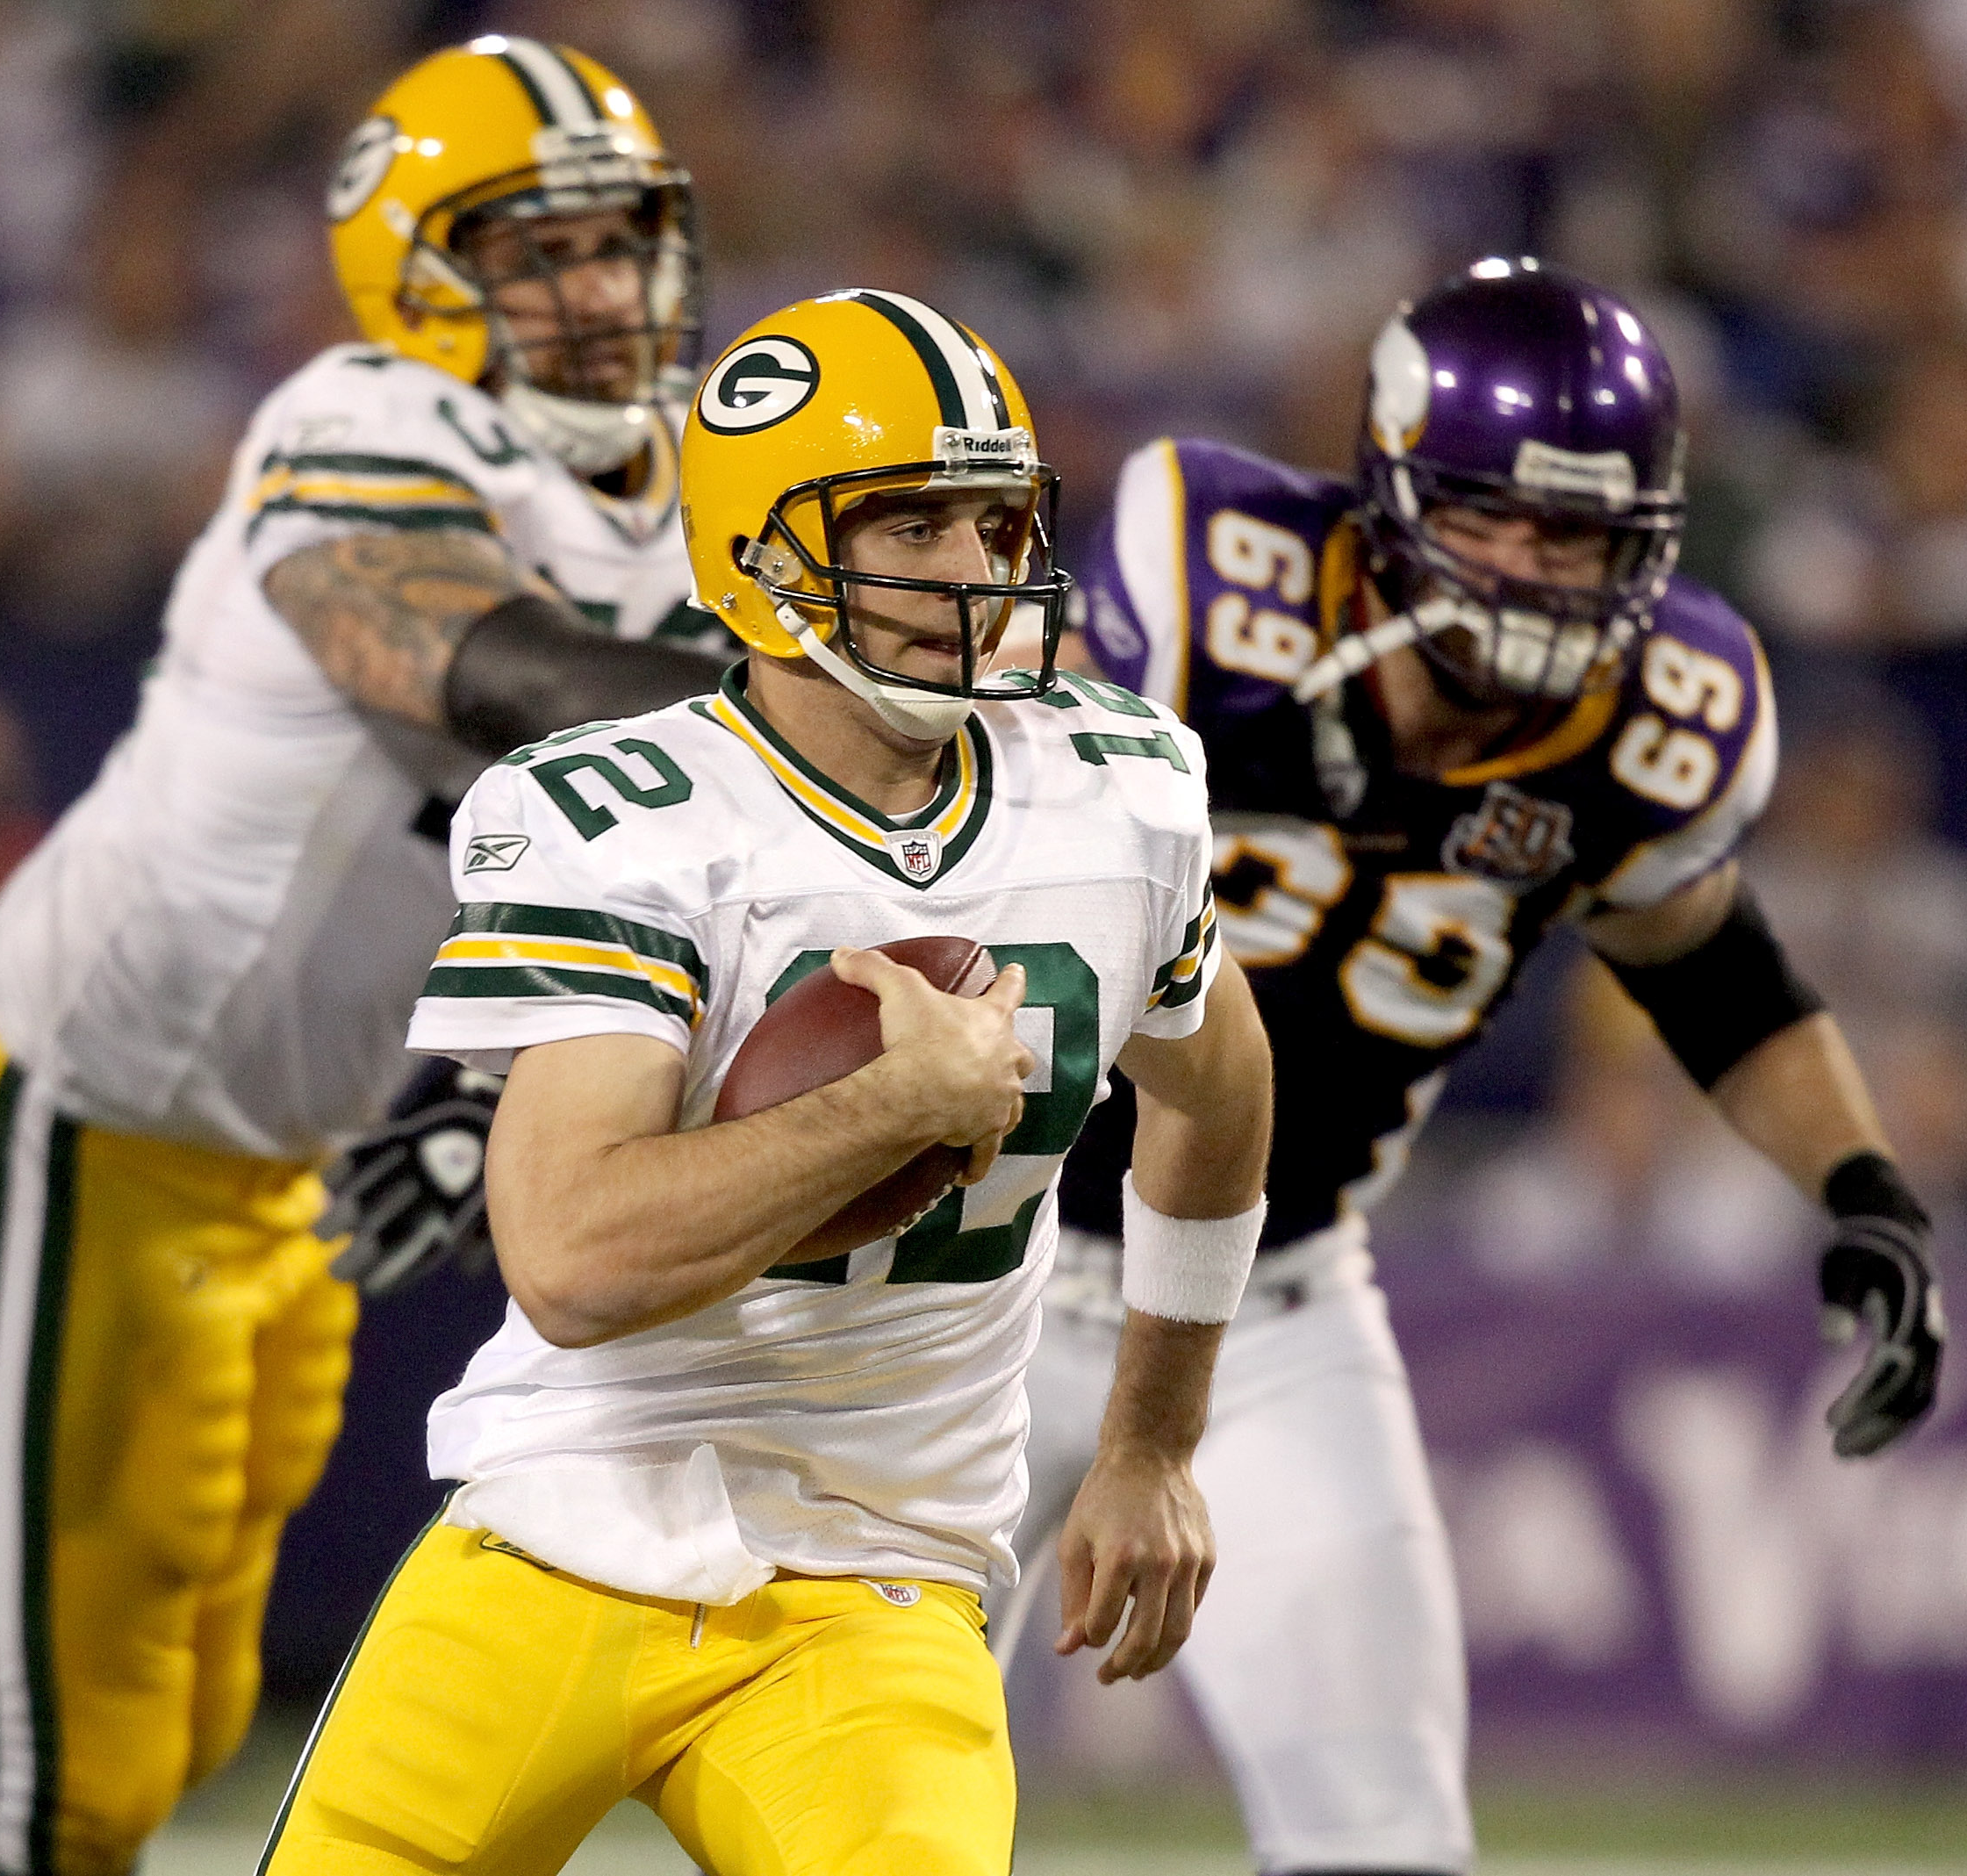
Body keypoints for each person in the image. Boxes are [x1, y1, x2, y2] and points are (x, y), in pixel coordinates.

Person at [0, 37, 736, 1876]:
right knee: (54, 1785)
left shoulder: (712, 497)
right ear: (412, 269)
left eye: (620, 239)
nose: (598, 291)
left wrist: (485, 1090)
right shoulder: (361, 420)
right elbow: (494, 676)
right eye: (535, 250)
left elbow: (629, 871)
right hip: (69, 1113)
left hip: (285, 1160)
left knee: (179, 1727)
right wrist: (830, 703)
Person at [260, 288, 1276, 1876]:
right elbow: (577, 1259)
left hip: (883, 1575)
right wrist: (888, 1107)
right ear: (759, 555)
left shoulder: (1119, 790)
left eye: (994, 522)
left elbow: (1220, 1093)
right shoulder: (634, 816)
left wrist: (1152, 1440)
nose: (972, 573)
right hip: (565, 1531)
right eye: (910, 524)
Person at [1008, 256, 1946, 1876]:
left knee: (1382, 1842)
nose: (1525, 571)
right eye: (1490, 517)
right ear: (1382, 497)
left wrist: (1863, 1190)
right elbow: (991, 825)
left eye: (1570, 535)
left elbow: (1707, 963)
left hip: (1263, 1312)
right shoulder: (1211, 577)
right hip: (972, 1275)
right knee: (832, 1801)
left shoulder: (1665, 714)